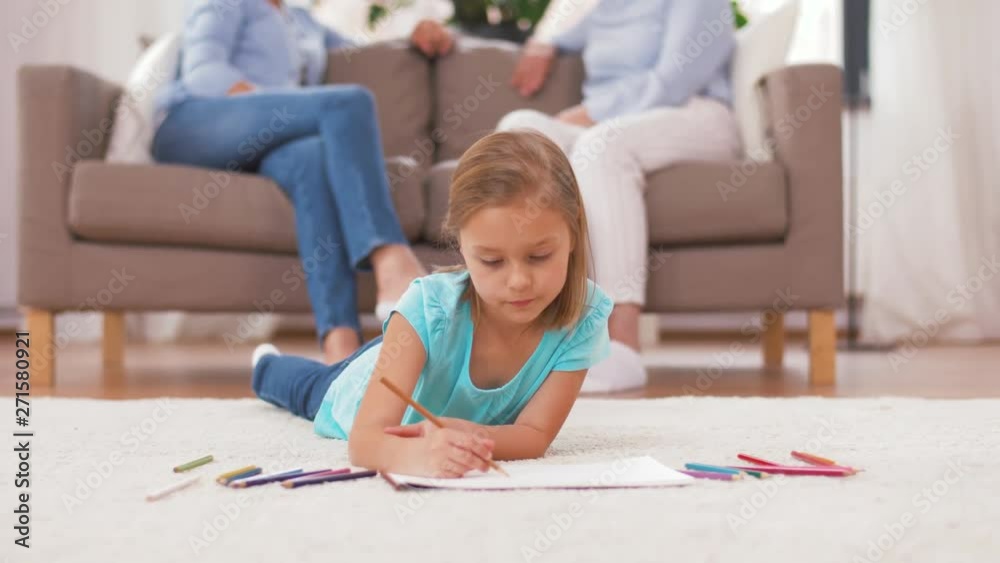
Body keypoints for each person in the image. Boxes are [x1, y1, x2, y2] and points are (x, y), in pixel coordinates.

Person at [251, 131, 613, 478]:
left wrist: (469, 434)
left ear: (573, 232)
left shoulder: (586, 316)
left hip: (426, 345)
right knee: (307, 388)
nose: (518, 281)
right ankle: (264, 365)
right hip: (364, 378)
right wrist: (418, 455)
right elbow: (364, 443)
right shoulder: (429, 306)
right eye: (492, 261)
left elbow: (534, 435)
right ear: (461, 245)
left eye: (539, 256)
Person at [152, 0, 454, 363]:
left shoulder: (303, 21)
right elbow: (204, 73)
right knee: (348, 103)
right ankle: (390, 257)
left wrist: (415, 34)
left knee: (312, 158)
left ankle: (339, 350)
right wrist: (284, 111)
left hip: (266, 138)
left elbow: (361, 47)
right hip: (195, 124)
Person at [498, 0, 743, 392]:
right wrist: (543, 45)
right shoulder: (605, 7)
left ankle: (620, 342)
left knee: (602, 147)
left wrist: (589, 113)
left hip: (694, 115)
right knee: (519, 133)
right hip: (617, 122)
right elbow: (559, 34)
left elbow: (674, 80)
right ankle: (526, 341)